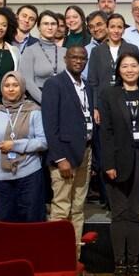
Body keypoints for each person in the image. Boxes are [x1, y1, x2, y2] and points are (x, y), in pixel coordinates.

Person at [97, 53, 139, 276]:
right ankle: (119, 263)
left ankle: (134, 262)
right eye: (125, 66)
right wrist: (108, 163)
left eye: (134, 66)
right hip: (116, 162)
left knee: (135, 214)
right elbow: (106, 132)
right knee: (119, 214)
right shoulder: (109, 94)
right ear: (118, 70)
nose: (129, 70)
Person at [0, 71, 48, 223]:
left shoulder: (34, 111)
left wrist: (15, 145)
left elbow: (43, 142)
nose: (11, 89)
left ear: (22, 87)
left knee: (32, 223)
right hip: (1, 178)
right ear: (2, 89)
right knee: (6, 224)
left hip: (30, 175)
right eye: (7, 85)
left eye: (15, 85)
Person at [42, 45, 94, 249]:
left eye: (82, 58)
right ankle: (56, 258)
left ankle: (74, 258)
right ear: (65, 59)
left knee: (78, 208)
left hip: (85, 152)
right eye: (74, 57)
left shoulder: (87, 86)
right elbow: (50, 125)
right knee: (61, 208)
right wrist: (59, 158)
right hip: (64, 155)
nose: (78, 61)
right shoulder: (54, 84)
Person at [87, 13, 139, 105]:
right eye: (112, 27)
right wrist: (95, 106)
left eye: (119, 27)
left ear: (124, 30)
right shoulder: (96, 51)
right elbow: (92, 81)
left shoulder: (132, 49)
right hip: (103, 101)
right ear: (107, 28)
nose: (116, 31)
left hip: (128, 100)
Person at [20, 14, 67, 104]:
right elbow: (28, 82)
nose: (50, 27)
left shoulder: (65, 51)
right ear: (39, 27)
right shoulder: (30, 51)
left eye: (53, 24)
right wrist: (46, 101)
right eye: (45, 24)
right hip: (39, 101)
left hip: (63, 100)